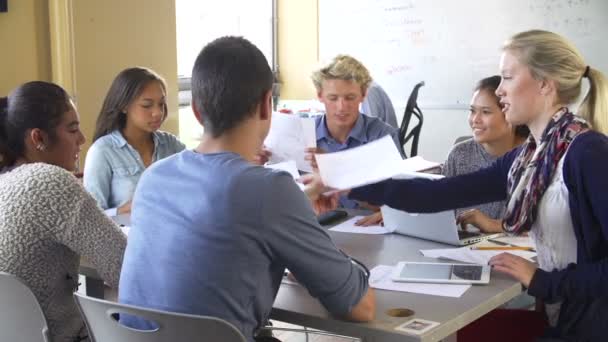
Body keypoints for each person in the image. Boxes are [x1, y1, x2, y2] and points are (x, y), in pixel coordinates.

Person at [347, 29, 608, 341]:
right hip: (563, 317)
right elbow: (434, 195)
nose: (499, 91)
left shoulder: (588, 153)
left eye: (508, 77)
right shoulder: (528, 160)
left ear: (544, 84)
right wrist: (347, 184)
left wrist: (543, 281)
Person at [118, 37, 375, 342]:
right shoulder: (269, 190)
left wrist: (300, 209)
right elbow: (360, 307)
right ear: (268, 105)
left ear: (197, 111)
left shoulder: (154, 178)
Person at [0, 81, 126, 342]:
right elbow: (125, 267)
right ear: (39, 138)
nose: (82, 139)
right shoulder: (49, 182)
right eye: (73, 129)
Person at [356, 75, 528, 228]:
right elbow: (439, 199)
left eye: (485, 112)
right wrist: (398, 214)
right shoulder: (461, 154)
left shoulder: (531, 159)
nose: (475, 119)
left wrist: (494, 225)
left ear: (509, 113)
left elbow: (539, 224)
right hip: (462, 247)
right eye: (472, 111)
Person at [84, 67, 185, 215]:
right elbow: (91, 218)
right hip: (124, 236)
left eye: (161, 104)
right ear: (124, 106)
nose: (157, 112)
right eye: (147, 105)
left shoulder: (172, 145)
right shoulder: (102, 151)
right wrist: (122, 210)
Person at [307, 54, 404, 208]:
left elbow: (398, 201)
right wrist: (260, 165)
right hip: (319, 224)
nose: (342, 107)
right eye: (333, 98)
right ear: (320, 95)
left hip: (365, 226)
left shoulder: (383, 136)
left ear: (363, 95)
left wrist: (334, 171)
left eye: (350, 97)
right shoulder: (304, 136)